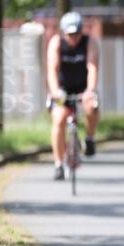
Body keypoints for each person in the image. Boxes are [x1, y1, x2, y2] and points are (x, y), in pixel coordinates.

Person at [47, 11, 100, 180]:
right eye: (70, 35)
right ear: (63, 32)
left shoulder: (89, 42)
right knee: (59, 119)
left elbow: (92, 68)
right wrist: (55, 91)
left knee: (91, 107)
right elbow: (52, 71)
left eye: (76, 34)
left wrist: (90, 90)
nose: (74, 38)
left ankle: (89, 138)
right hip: (62, 89)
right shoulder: (56, 43)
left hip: (83, 88)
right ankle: (58, 165)